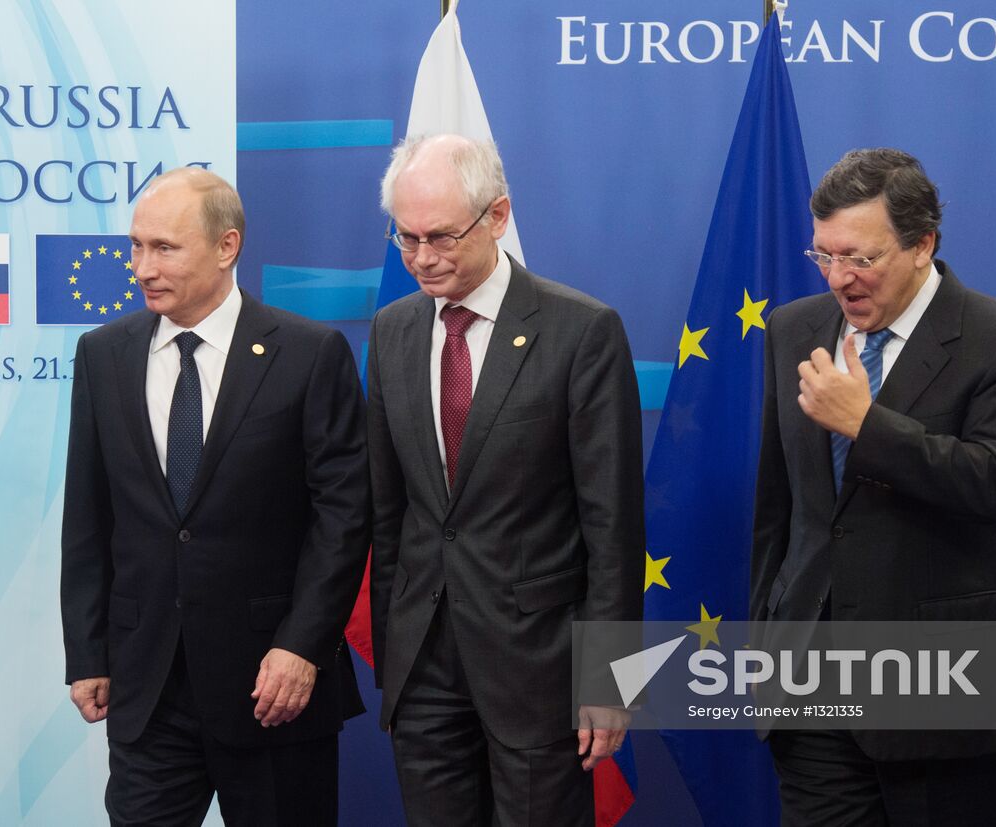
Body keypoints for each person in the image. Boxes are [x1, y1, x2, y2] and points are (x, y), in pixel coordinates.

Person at [60, 167, 370, 826]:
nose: (142, 267)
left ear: (227, 247)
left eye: (164, 248)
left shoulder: (310, 355)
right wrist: (87, 651)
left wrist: (304, 645)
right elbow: (88, 516)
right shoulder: (103, 354)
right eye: (137, 246)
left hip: (273, 686)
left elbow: (343, 518)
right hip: (149, 689)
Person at [749, 148, 996, 825]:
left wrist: (866, 424)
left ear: (922, 244)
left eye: (861, 258)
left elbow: (992, 480)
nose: (838, 278)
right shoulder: (794, 328)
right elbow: (780, 508)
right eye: (823, 255)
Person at [367, 134, 645, 826]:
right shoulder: (392, 330)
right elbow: (389, 508)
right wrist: (391, 657)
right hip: (423, 668)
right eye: (406, 238)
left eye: (439, 237)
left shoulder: (581, 330)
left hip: (539, 668)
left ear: (496, 216)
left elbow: (612, 524)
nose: (422, 258)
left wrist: (608, 675)